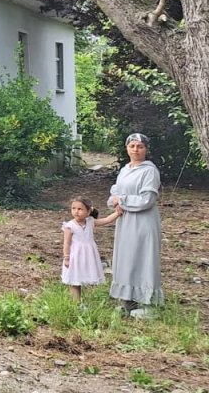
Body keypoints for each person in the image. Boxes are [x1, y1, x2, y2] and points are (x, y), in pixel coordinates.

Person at [108, 133, 163, 317]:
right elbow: (115, 192)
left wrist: (121, 200)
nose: (135, 150)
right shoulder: (125, 170)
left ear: (146, 149)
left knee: (142, 257)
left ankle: (147, 303)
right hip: (125, 220)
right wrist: (115, 201)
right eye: (132, 146)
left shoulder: (149, 171)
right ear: (127, 148)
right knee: (126, 258)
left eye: (139, 146)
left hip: (143, 222)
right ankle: (128, 300)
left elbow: (147, 199)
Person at [61, 196, 122, 301]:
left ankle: (88, 300)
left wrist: (117, 213)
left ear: (88, 211)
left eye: (80, 209)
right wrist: (67, 257)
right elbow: (66, 243)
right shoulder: (69, 226)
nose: (76, 211)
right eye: (73, 208)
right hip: (75, 256)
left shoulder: (90, 221)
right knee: (75, 279)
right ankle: (76, 303)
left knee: (87, 275)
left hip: (88, 255)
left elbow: (106, 220)